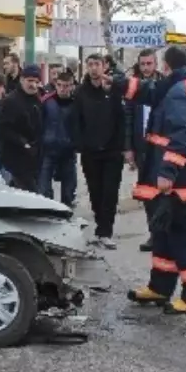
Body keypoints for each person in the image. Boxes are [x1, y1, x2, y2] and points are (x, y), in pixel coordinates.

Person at [127, 46, 186, 315]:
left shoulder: (177, 93)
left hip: (182, 185)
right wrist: (119, 83)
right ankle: (160, 287)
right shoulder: (183, 86)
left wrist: (167, 172)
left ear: (165, 66)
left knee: (185, 237)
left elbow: (184, 136)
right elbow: (151, 92)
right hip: (177, 184)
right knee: (164, 236)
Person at [71, 53, 127, 248]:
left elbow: (122, 119)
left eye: (97, 64)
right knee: (95, 191)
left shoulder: (113, 90)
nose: (94, 68)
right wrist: (80, 143)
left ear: (104, 66)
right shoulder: (80, 92)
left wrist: (123, 146)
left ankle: (106, 231)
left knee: (110, 192)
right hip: (90, 151)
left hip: (112, 151)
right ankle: (100, 227)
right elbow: (75, 120)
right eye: (91, 64)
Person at [123, 49, 167, 252]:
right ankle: (154, 234)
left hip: (163, 148)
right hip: (142, 148)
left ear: (156, 64)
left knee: (165, 193)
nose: (147, 68)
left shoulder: (166, 85)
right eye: (143, 64)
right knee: (148, 193)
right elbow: (128, 118)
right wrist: (128, 148)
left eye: (150, 64)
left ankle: (165, 234)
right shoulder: (134, 88)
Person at [0, 64, 45, 191]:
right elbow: (1, 129)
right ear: (22, 80)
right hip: (17, 158)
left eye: (36, 81)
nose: (33, 84)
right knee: (30, 193)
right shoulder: (12, 101)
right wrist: (23, 142)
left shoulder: (36, 100)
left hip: (33, 158)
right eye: (30, 80)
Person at [39, 70, 78, 206]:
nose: (63, 89)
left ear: (72, 86)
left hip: (68, 151)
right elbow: (38, 123)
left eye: (66, 86)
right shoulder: (46, 101)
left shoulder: (76, 103)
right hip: (48, 150)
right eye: (60, 85)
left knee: (69, 190)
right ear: (56, 84)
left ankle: (66, 213)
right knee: (44, 189)